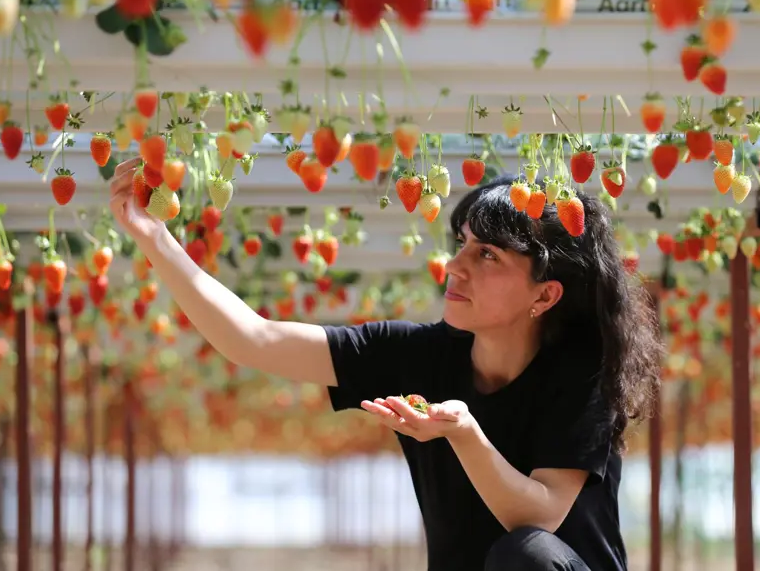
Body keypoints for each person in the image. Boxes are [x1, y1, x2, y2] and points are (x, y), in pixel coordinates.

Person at [110, 157, 663, 571]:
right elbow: (255, 339)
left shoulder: (580, 372)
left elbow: (539, 519)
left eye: (487, 255)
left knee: (528, 556)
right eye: (463, 244)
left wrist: (463, 433)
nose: (456, 265)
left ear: (544, 296)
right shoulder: (416, 355)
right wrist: (156, 239)